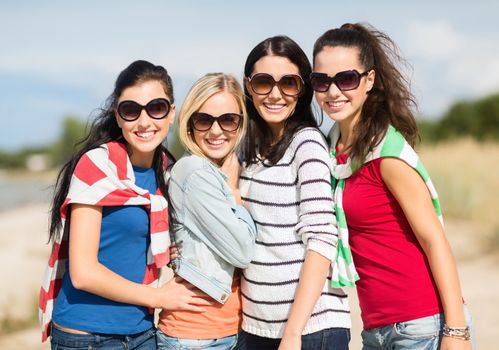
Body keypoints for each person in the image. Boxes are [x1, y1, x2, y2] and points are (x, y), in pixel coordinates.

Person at [311, 23, 475, 349]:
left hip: (421, 326)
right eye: (321, 81)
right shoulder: (331, 154)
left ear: (369, 80)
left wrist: (456, 333)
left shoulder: (387, 156)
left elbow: (434, 241)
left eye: (346, 79)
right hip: (377, 329)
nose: (333, 91)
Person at [39, 60, 211, 350]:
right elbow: (83, 273)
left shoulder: (169, 171)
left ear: (171, 113)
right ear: (118, 118)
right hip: (87, 336)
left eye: (156, 107)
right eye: (131, 110)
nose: (144, 122)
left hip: (142, 330)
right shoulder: (97, 165)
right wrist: (159, 298)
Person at [237, 35, 351, 350]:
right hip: (258, 326)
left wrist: (293, 331)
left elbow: (321, 238)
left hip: (309, 329)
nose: (275, 94)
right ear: (248, 86)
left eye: (288, 83)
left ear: (301, 90)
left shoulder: (307, 143)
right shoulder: (250, 151)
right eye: (263, 82)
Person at [156, 73, 257, 350]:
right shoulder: (194, 172)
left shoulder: (224, 169)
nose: (215, 131)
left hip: (225, 332)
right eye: (204, 120)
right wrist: (235, 194)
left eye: (228, 120)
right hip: (196, 338)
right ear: (189, 124)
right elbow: (243, 250)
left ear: (240, 123)